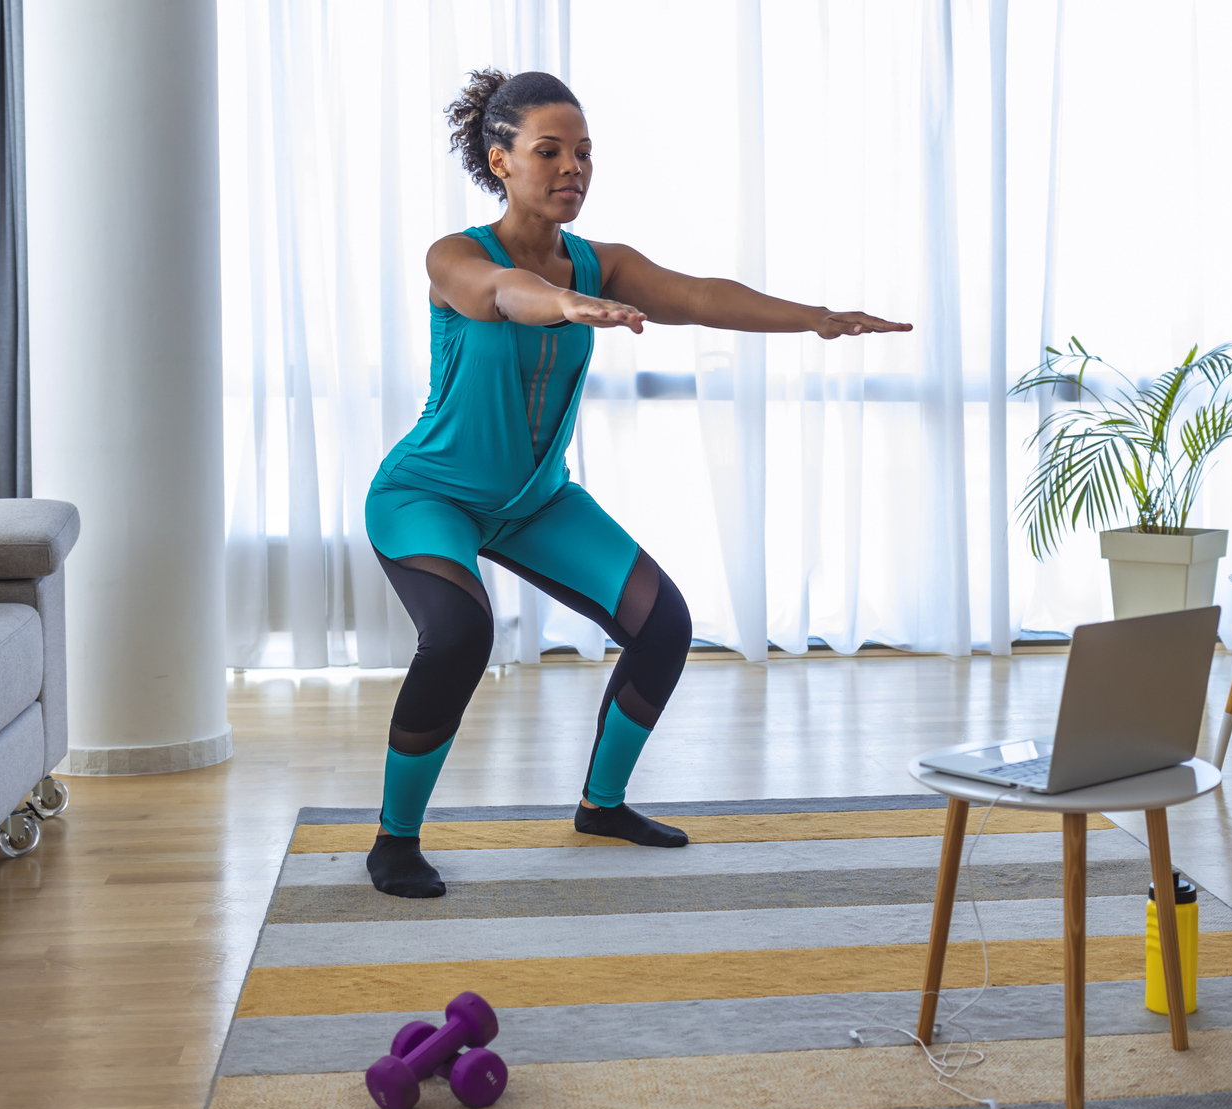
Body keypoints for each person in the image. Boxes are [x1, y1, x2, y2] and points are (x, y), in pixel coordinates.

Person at [364, 68, 911, 898]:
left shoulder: (599, 262)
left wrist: (812, 315)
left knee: (663, 625)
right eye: (548, 151)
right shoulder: (456, 256)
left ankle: (602, 805)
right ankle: (393, 839)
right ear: (499, 159)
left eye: (582, 153)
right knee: (459, 634)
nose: (570, 168)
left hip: (535, 500)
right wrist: (562, 304)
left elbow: (696, 295)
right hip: (427, 494)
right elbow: (501, 294)